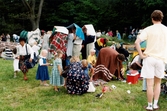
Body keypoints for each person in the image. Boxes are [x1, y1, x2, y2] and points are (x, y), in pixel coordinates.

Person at [135, 10, 167, 111]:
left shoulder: (148, 29)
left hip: (149, 58)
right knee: (158, 83)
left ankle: (149, 106)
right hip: (161, 59)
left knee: (149, 84)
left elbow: (137, 42)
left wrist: (141, 55)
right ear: (161, 18)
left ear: (152, 19)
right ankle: (156, 105)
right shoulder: (166, 29)